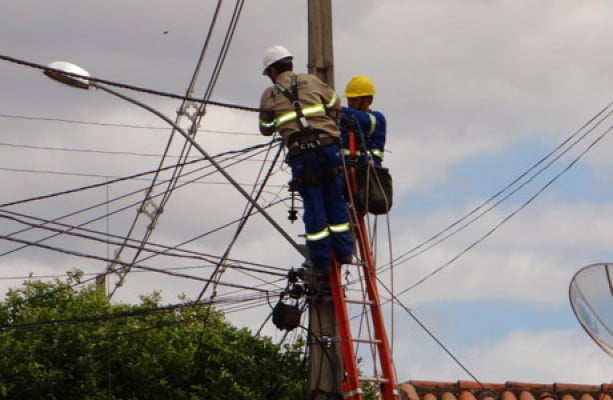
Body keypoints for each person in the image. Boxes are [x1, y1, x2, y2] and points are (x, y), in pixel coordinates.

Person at [258, 45, 353, 273]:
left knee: (315, 207)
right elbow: (335, 104)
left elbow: (266, 128)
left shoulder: (270, 95)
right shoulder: (311, 81)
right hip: (329, 148)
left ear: (272, 71)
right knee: (336, 201)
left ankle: (321, 262)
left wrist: (282, 120)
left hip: (302, 154)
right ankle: (344, 252)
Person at [338, 75, 386, 167]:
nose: (350, 103)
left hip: (368, 173)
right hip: (345, 172)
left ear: (369, 100)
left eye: (354, 99)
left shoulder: (378, 118)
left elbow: (366, 121)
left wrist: (339, 109)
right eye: (349, 99)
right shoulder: (343, 119)